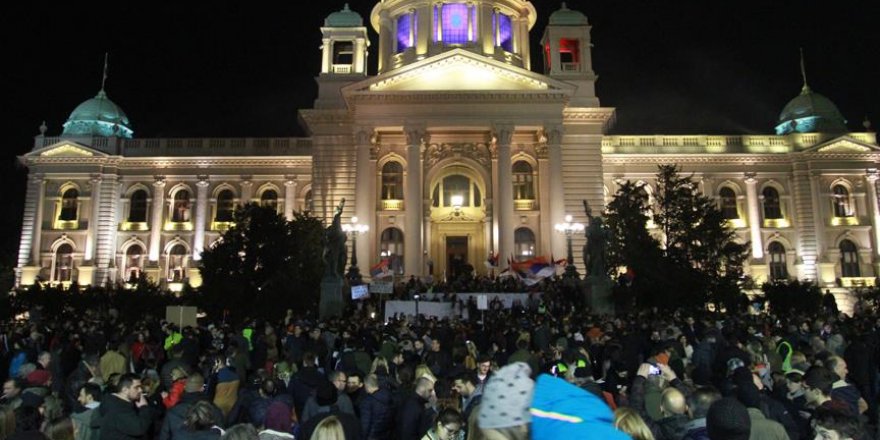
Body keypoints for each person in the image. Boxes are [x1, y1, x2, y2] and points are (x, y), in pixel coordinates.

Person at [99, 373, 154, 440]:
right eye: (136, 387)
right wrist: (144, 407)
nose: (140, 390)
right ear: (125, 390)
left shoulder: (114, 402)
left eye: (141, 387)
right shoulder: (119, 408)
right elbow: (138, 428)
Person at [360, 374, 393, 440]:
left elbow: (365, 425)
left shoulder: (368, 402)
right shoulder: (389, 397)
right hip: (386, 436)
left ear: (366, 385)